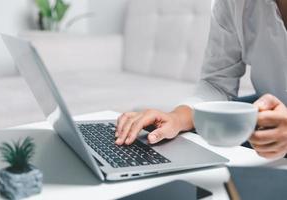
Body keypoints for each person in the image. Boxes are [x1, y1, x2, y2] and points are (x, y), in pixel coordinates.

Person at [115, 0, 287, 159]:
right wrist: (177, 118)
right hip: (272, 118)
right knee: (187, 142)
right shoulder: (233, 3)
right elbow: (217, 83)